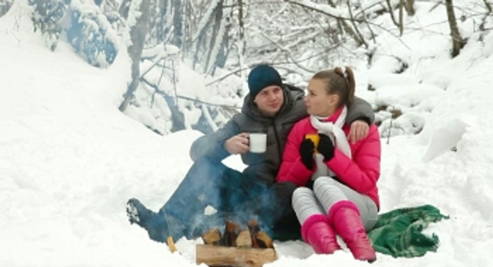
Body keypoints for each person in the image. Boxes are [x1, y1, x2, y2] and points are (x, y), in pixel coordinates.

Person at [126, 64, 375, 244]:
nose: (273, 97)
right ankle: (164, 226)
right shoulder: (242, 121)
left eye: (276, 90)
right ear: (254, 98)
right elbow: (196, 150)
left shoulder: (301, 104)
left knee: (288, 190)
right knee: (206, 168)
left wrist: (360, 117)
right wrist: (226, 147)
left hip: (292, 196)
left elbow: (345, 99)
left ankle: (219, 224)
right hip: (255, 191)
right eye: (264, 93)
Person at [276, 67, 380, 262]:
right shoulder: (301, 129)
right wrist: (304, 162)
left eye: (312, 94)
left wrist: (333, 157)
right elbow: (284, 183)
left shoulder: (361, 128)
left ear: (332, 99)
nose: (305, 98)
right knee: (299, 193)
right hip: (323, 213)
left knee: (322, 182)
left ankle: (361, 249)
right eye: (307, 92)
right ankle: (331, 254)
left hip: (362, 209)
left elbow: (367, 183)